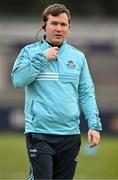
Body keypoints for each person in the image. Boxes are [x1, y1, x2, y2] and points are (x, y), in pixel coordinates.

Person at [11, 3, 102, 180]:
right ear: (44, 25)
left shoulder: (78, 57)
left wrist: (94, 125)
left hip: (70, 135)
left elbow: (86, 93)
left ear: (69, 28)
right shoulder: (30, 52)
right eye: (54, 23)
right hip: (39, 133)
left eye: (63, 24)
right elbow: (18, 81)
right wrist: (42, 58)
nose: (58, 28)